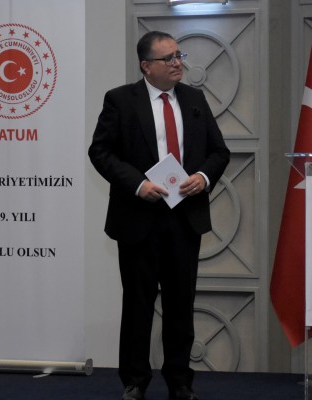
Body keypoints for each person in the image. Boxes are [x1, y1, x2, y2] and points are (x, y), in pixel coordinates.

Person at [89, 31, 230, 400]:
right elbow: (100, 152)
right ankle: (135, 381)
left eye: (178, 56)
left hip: (184, 218)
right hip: (139, 217)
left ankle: (180, 382)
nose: (176, 63)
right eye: (167, 58)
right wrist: (138, 184)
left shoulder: (194, 99)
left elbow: (219, 152)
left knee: (181, 304)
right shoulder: (121, 100)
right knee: (138, 304)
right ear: (146, 66)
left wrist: (202, 177)